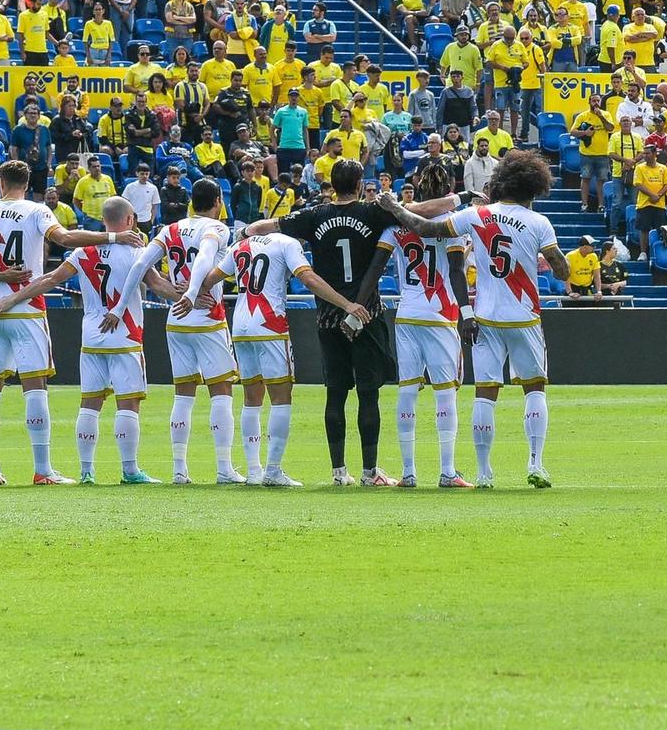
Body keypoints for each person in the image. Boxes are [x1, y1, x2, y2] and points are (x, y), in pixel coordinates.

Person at [0, 160, 137, 484]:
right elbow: (63, 238)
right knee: (34, 388)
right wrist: (112, 237)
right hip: (27, 309)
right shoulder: (36, 211)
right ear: (27, 181)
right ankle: (42, 469)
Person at [242, 158, 453, 485]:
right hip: (365, 314)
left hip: (328, 316)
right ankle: (370, 471)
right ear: (358, 185)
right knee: (369, 394)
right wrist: (460, 198)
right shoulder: (373, 212)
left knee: (335, 393)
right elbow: (422, 210)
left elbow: (264, 228)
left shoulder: (313, 215)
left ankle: (339, 471)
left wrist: (246, 230)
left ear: (331, 183)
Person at [394, 151, 569, 487]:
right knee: (534, 389)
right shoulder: (538, 223)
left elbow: (424, 226)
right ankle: (535, 464)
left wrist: (394, 208)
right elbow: (561, 269)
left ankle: (484, 472)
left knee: (485, 393)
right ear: (534, 187)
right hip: (524, 317)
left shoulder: (477, 214)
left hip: (484, 317)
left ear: (501, 181)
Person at [0, 196, 182, 484]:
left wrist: (13, 297)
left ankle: (86, 471)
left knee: (89, 403)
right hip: (124, 335)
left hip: (91, 336)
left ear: (104, 221)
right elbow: (157, 285)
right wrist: (187, 298)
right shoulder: (134, 253)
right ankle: (130, 471)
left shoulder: (83, 252)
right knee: (128, 404)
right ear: (129, 221)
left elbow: (49, 280)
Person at [193, 226, 372, 487]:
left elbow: (210, 278)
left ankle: (254, 471)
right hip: (269, 324)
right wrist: (346, 304)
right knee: (281, 397)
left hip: (241, 324)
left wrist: (195, 293)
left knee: (251, 398)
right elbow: (308, 279)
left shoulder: (242, 245)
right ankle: (273, 470)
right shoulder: (287, 242)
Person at [383, 156, 473, 487]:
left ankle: (408, 473)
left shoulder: (396, 223)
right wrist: (467, 313)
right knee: (445, 393)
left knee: (407, 390)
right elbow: (455, 270)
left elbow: (378, 265)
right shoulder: (455, 223)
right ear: (450, 186)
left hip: (406, 312)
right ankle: (448, 472)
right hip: (442, 314)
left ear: (419, 185)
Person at [149, 179, 244, 484]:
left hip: (176, 319)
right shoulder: (216, 229)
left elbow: (146, 269)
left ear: (191, 200)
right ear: (218, 200)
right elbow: (205, 259)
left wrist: (179, 293)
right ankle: (224, 467)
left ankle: (179, 469)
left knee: (183, 394)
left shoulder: (171, 229)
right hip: (206, 315)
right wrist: (193, 292)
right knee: (221, 392)